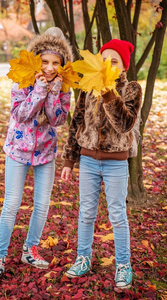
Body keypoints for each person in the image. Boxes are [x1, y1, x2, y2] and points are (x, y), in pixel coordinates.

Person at [0, 27, 73, 286]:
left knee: (42, 205)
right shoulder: (22, 79)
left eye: (56, 62)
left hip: (45, 152)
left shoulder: (63, 87)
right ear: (36, 59)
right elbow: (20, 114)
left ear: (62, 64)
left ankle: (30, 250)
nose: (50, 67)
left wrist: (54, 92)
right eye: (45, 61)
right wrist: (39, 91)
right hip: (18, 151)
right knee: (11, 204)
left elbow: (59, 120)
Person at [61, 39, 142, 289]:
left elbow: (125, 125)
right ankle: (83, 257)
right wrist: (69, 159)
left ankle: (123, 264)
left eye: (114, 61)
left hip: (116, 163)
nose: (107, 65)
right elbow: (76, 122)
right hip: (87, 160)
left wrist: (109, 93)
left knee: (117, 214)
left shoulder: (131, 89)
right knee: (86, 213)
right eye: (103, 60)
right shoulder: (89, 87)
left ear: (123, 66)